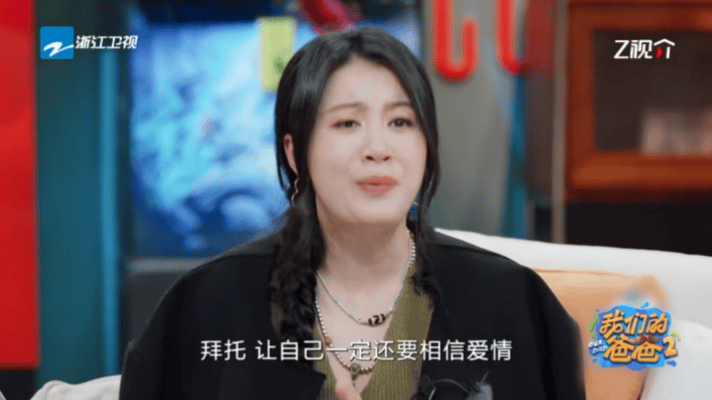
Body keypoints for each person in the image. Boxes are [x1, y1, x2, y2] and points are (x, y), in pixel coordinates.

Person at [119, 26, 586, 400]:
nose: (378, 148)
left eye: (400, 121)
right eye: (347, 123)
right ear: (295, 153)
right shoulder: (207, 305)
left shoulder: (511, 301)